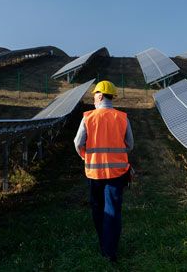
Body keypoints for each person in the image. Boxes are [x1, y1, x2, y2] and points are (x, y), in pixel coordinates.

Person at [74, 80, 134, 262]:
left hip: (94, 174)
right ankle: (111, 250)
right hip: (117, 174)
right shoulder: (122, 117)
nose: (93, 99)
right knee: (113, 210)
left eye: (94, 96)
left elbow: (78, 143)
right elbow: (130, 145)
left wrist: (86, 156)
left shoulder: (88, 117)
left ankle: (103, 245)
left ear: (100, 96)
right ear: (112, 97)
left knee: (98, 209)